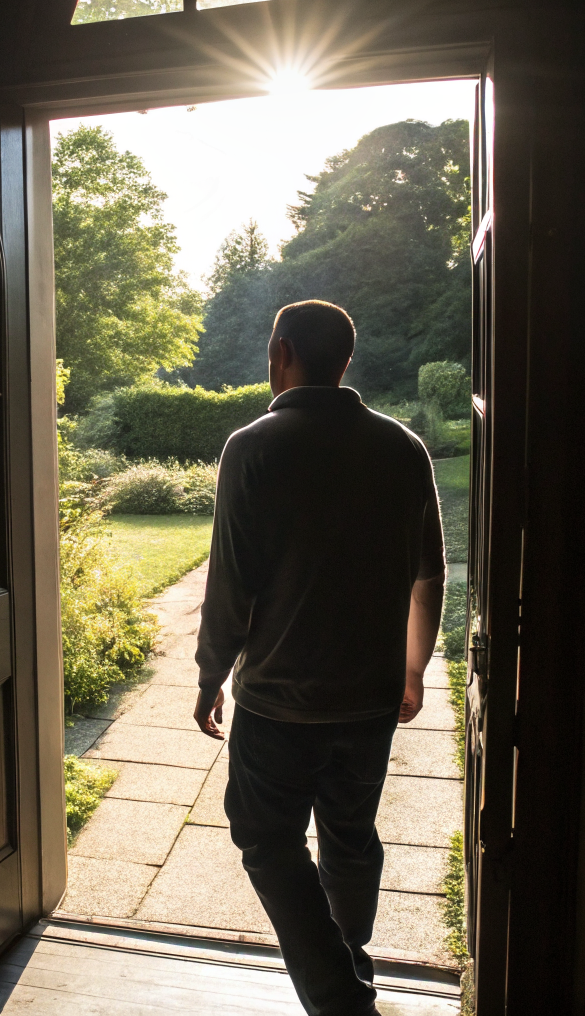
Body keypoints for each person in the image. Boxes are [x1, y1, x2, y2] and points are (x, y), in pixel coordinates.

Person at [192, 300, 446, 1016]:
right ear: (347, 361)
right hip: (369, 700)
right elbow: (429, 575)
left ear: (282, 352)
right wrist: (413, 669)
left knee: (265, 835)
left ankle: (340, 998)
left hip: (278, 703)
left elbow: (230, 584)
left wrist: (211, 675)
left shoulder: (255, 446)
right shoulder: (402, 448)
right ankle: (351, 967)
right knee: (350, 839)